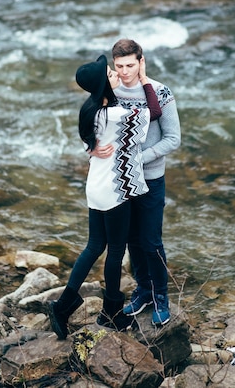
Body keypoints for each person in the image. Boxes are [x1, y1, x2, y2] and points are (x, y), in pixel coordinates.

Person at [48, 53, 162, 339]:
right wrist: (145, 79)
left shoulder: (90, 109)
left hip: (94, 187)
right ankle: (112, 311)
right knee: (115, 249)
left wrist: (90, 148)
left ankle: (64, 305)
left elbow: (90, 141)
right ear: (104, 86)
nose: (115, 73)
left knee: (93, 246)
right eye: (110, 73)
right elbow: (154, 111)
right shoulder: (117, 115)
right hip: (114, 190)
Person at [94, 39, 181, 327]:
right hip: (120, 181)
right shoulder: (111, 89)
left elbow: (173, 138)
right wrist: (92, 147)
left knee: (151, 240)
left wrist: (139, 158)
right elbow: (93, 123)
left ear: (141, 62)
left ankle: (160, 297)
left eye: (130, 65)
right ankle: (143, 290)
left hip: (151, 178)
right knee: (130, 239)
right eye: (119, 66)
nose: (125, 72)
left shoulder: (160, 92)